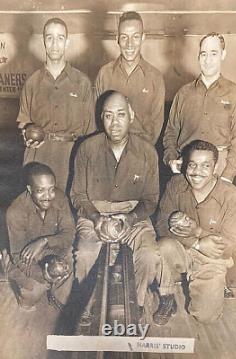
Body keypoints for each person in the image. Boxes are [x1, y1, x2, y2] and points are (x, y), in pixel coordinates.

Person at [71, 91, 160, 321]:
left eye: (121, 114)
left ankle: (137, 302)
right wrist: (96, 218)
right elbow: (78, 195)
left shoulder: (147, 152)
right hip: (95, 212)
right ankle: (85, 306)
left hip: (133, 214)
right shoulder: (86, 149)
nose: (115, 122)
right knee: (84, 254)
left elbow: (150, 199)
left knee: (150, 254)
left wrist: (129, 219)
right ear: (102, 118)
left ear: (131, 115)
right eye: (109, 116)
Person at [153, 140, 236, 325]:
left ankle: (213, 283)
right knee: (162, 246)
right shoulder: (176, 184)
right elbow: (161, 225)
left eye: (205, 166)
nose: (196, 171)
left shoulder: (231, 195)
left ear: (216, 167)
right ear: (185, 164)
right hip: (182, 249)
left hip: (212, 258)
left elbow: (231, 245)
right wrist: (197, 242)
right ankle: (167, 296)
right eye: (192, 164)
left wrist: (198, 231)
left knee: (205, 316)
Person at [17, 17, 95, 191]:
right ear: (43, 41)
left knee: (69, 211)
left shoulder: (82, 82)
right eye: (49, 37)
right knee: (37, 212)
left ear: (67, 42)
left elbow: (90, 132)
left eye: (60, 38)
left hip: (71, 157)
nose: (54, 44)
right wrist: (25, 135)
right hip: (38, 156)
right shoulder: (32, 83)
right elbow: (23, 124)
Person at [163, 32, 236, 183]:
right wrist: (171, 160)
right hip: (187, 168)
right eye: (203, 54)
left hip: (219, 170)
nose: (208, 60)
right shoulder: (183, 93)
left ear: (223, 54)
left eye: (213, 54)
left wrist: (227, 176)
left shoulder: (235, 93)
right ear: (198, 57)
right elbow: (170, 133)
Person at [6, 163, 75, 310]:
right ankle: (7, 267)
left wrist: (44, 241)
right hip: (25, 257)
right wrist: (44, 275)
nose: (48, 196)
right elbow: (18, 255)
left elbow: (69, 234)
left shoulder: (61, 198)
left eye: (51, 189)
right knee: (31, 295)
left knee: (76, 259)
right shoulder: (15, 211)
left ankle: (57, 293)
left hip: (53, 249)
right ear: (30, 189)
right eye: (40, 191)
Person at [95, 11, 165, 145]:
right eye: (124, 37)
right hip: (108, 149)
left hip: (142, 150)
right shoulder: (104, 74)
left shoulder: (155, 77)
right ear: (117, 38)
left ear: (143, 38)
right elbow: (97, 120)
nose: (129, 44)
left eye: (135, 37)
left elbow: (156, 125)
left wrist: (141, 153)